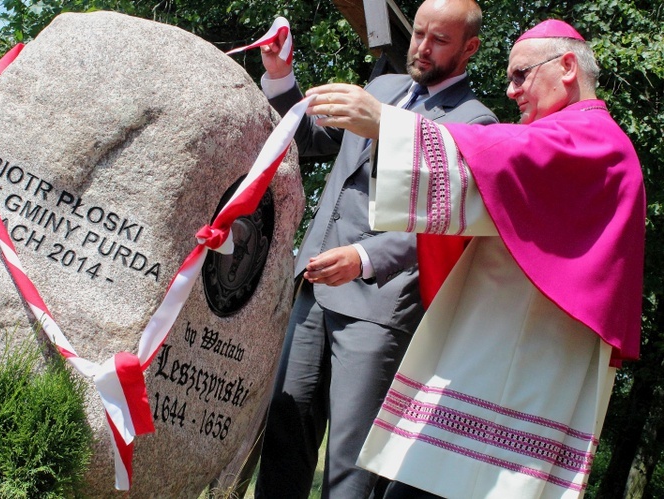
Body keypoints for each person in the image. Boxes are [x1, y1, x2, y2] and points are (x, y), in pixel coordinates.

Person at [303, 19, 645, 498]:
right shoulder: (566, 136)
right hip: (488, 353)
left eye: (521, 75)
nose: (511, 91)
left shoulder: (595, 141)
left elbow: (503, 155)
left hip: (524, 366)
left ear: (567, 66)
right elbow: (495, 174)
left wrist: (388, 123)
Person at [254, 1, 497, 497]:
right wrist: (281, 77)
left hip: (378, 303)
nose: (422, 48)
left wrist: (364, 259)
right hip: (313, 288)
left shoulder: (477, 124)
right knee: (283, 430)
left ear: (470, 48)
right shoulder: (382, 87)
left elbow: (449, 218)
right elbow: (310, 137)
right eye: (419, 34)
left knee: (351, 462)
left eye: (439, 40)